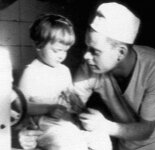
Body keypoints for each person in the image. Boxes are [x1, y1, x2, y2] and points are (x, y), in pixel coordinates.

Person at [74, 2, 155, 150]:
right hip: (128, 140)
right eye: (87, 47)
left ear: (120, 52)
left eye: (95, 51)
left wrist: (103, 126)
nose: (86, 56)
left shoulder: (154, 67)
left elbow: (146, 130)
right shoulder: (90, 67)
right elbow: (70, 104)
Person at [18, 13, 112, 150]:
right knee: (72, 141)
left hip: (67, 121)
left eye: (65, 51)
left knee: (100, 136)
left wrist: (79, 107)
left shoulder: (64, 70)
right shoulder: (32, 72)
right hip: (44, 125)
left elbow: (70, 95)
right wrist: (49, 108)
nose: (61, 55)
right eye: (57, 50)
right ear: (39, 45)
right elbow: (21, 107)